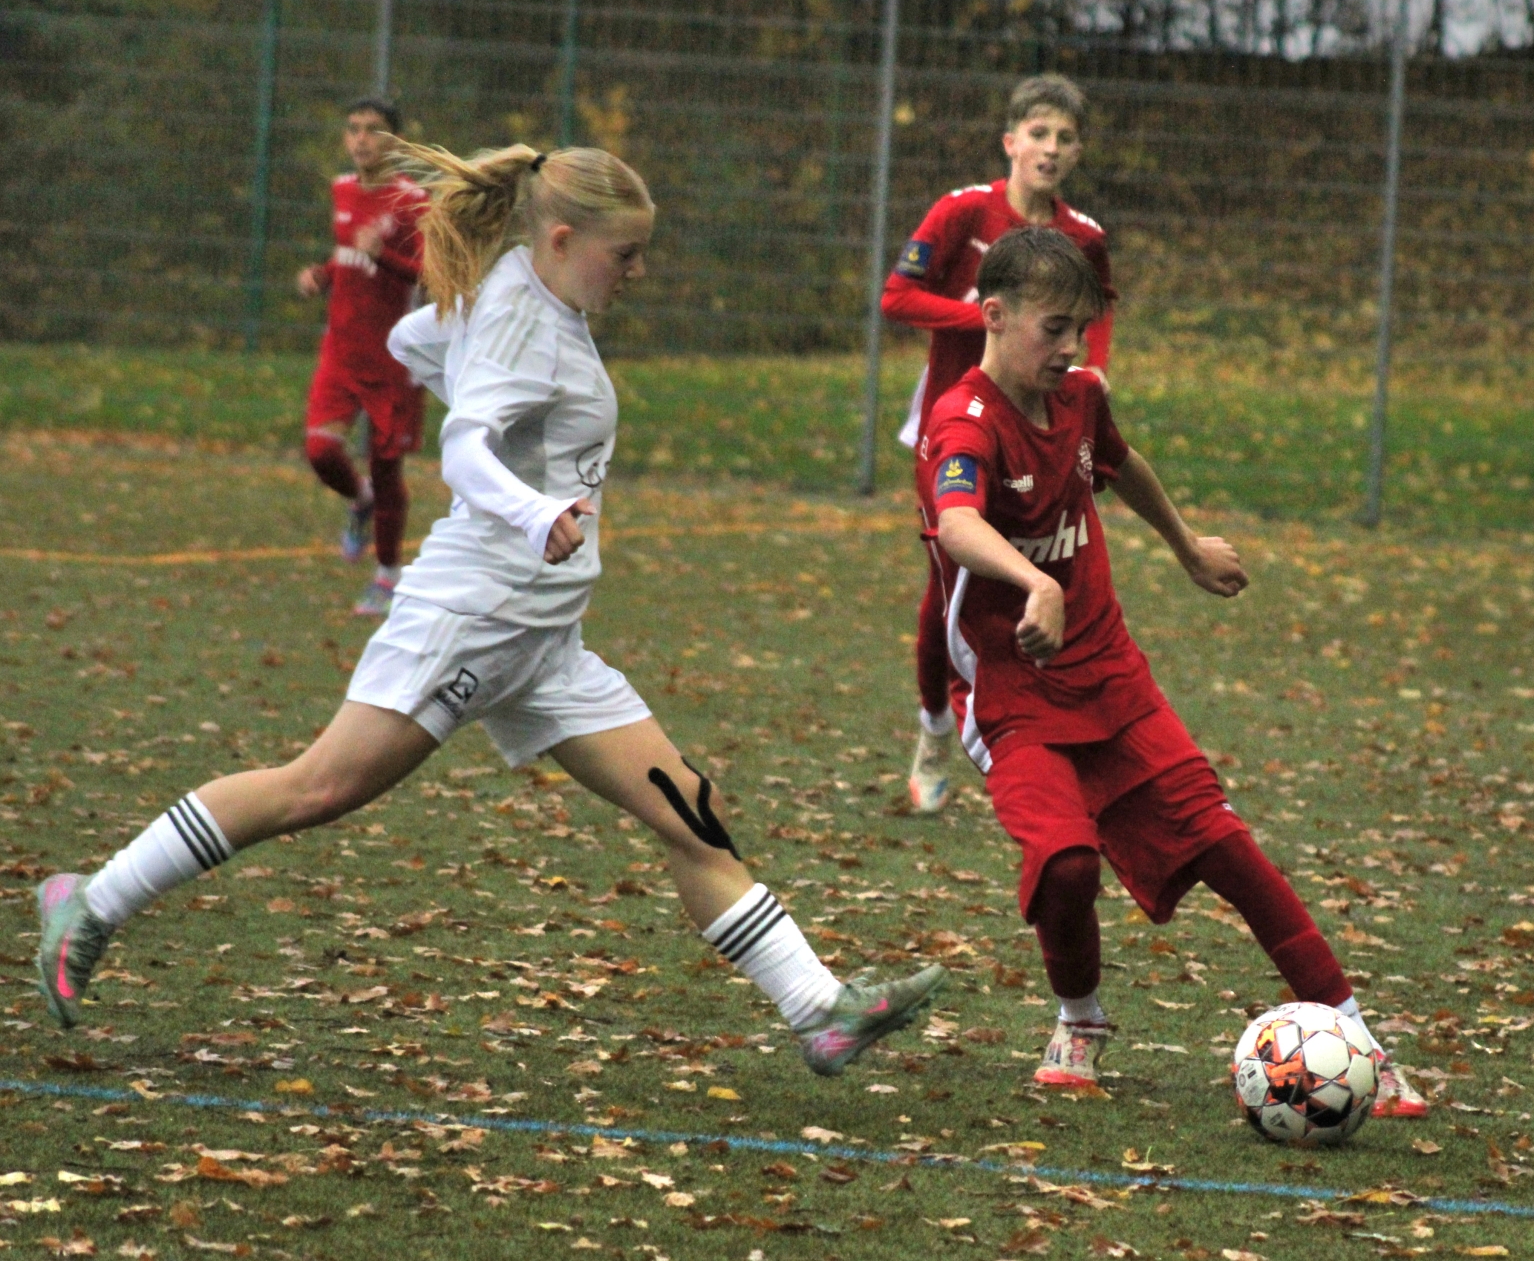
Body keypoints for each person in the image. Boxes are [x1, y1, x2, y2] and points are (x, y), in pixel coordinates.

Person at [37, 141, 945, 1074]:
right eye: (625, 254)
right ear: (562, 239)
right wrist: (535, 509)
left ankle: (818, 1012)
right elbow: (467, 451)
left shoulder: (523, 291)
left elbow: (409, 342)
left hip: (544, 639)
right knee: (319, 788)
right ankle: (90, 901)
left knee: (689, 809)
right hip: (472, 614)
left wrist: (474, 379)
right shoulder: (523, 320)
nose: (637, 272)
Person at [917, 226, 1425, 1118]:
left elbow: (1119, 464)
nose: (1071, 347)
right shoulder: (962, 423)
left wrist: (1186, 546)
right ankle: (1080, 1019)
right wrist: (1037, 582)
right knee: (1066, 868)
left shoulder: (1079, 398)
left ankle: (1363, 1046)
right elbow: (957, 523)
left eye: (1081, 328)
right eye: (1053, 328)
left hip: (1112, 677)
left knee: (1230, 850)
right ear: (992, 316)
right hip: (1012, 692)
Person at [882, 73, 1117, 816]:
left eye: (1066, 138)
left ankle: (1051, 730)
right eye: (1038, 134)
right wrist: (989, 320)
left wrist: (1095, 368)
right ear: (1010, 142)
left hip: (1042, 425)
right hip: (954, 423)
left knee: (1060, 565)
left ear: (1078, 152)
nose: (1051, 149)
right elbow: (896, 296)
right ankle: (935, 729)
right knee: (950, 584)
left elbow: (1101, 309)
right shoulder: (962, 211)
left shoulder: (1084, 237)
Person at [296, 97, 430, 618]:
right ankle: (361, 499)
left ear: (396, 141)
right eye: (353, 128)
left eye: (373, 129)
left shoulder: (415, 203)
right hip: (342, 350)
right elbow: (347, 254)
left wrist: (386, 257)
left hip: (393, 360)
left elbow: (433, 277)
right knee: (320, 451)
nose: (361, 139)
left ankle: (388, 576)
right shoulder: (343, 189)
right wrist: (322, 276)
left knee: (387, 467)